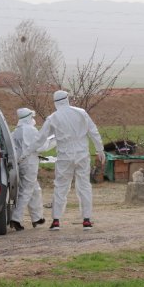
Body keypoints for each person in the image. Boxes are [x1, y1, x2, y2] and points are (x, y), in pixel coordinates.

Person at [21, 91, 105, 231]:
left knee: (60, 187)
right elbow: (93, 130)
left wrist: (26, 152)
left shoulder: (53, 117)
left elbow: (40, 138)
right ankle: (87, 220)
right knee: (84, 186)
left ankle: (56, 221)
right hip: (82, 154)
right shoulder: (81, 112)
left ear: (55, 102)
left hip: (64, 156)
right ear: (67, 99)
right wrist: (99, 149)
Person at [9, 107, 55, 231]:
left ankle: (37, 218)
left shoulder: (16, 131)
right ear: (29, 117)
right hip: (29, 163)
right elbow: (41, 146)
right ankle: (15, 218)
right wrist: (54, 140)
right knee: (26, 191)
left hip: (21, 163)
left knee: (35, 190)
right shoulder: (30, 130)